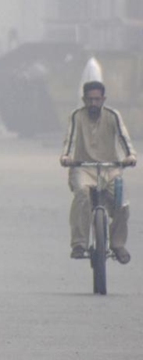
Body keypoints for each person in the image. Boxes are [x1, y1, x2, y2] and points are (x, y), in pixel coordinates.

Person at [60, 81, 137, 263]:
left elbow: (123, 137)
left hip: (110, 168)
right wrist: (66, 157)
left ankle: (118, 244)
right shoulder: (76, 116)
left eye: (97, 99)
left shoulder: (113, 116)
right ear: (84, 100)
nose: (93, 103)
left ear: (103, 99)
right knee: (82, 195)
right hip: (83, 168)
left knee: (122, 204)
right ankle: (79, 243)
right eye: (90, 99)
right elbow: (69, 140)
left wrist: (130, 156)